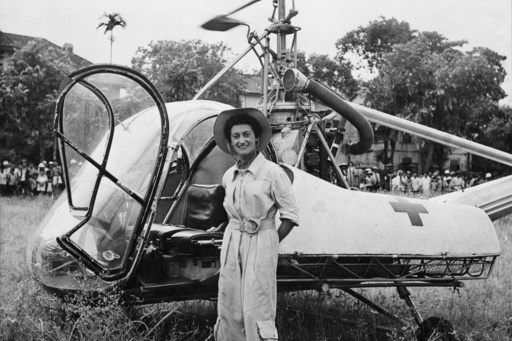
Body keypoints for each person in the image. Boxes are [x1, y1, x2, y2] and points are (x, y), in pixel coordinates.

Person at [212, 108, 299, 341]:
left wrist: (269, 241)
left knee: (257, 306)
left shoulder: (273, 172)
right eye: (236, 136)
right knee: (229, 302)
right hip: (232, 243)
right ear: (230, 143)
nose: (242, 140)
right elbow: (232, 212)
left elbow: (290, 214)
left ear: (257, 138)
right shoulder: (229, 175)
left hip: (261, 242)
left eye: (246, 134)